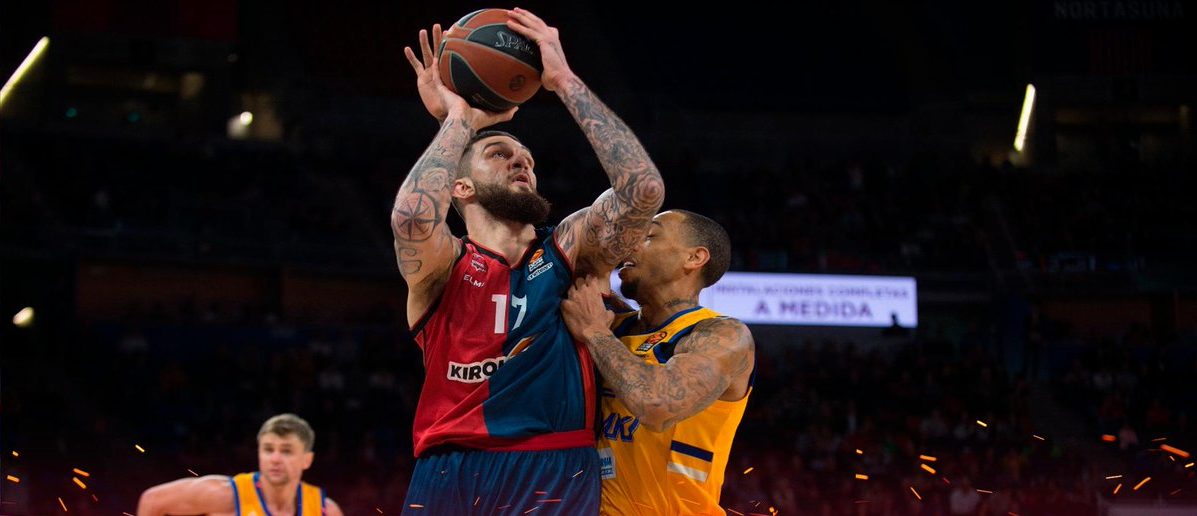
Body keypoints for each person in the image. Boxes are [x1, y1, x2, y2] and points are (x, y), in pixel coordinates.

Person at [395, 8, 665, 514]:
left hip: (554, 463)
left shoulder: (568, 249)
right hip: (449, 467)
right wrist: (458, 121)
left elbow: (643, 191)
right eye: (499, 153)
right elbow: (411, 218)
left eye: (528, 160)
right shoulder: (444, 264)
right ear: (460, 187)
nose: (521, 160)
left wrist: (564, 82)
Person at [560, 210, 755, 515]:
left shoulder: (721, 334)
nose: (631, 244)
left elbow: (657, 406)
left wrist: (596, 333)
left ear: (694, 258)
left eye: (649, 236)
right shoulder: (609, 323)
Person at [136, 414, 342, 516]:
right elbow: (152, 501)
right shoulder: (224, 494)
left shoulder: (325, 510)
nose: (275, 458)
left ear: (307, 459)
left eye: (286, 451)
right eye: (268, 449)